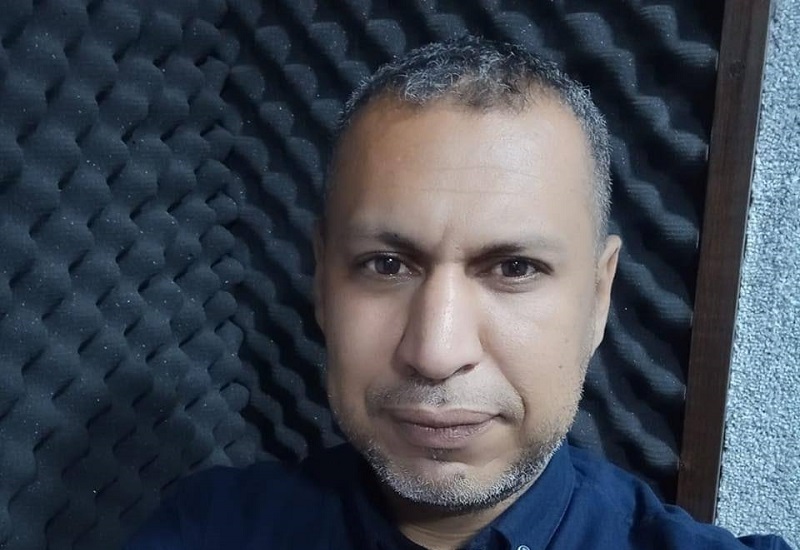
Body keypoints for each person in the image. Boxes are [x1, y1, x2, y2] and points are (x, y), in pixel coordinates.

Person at [125, 37, 792, 550]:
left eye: (515, 268)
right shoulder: (210, 528)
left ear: (598, 297)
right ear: (323, 281)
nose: (436, 352)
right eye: (387, 264)